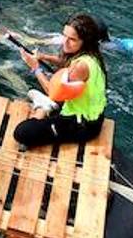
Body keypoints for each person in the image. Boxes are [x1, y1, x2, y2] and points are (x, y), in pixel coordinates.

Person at [12, 14, 108, 147]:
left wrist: (35, 68)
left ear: (85, 41)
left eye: (72, 39)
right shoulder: (91, 56)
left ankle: (43, 107)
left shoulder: (81, 66)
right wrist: (43, 57)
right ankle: (48, 107)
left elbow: (54, 94)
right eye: (65, 36)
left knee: (22, 132)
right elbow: (65, 63)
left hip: (83, 126)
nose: (65, 42)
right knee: (53, 84)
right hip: (92, 114)